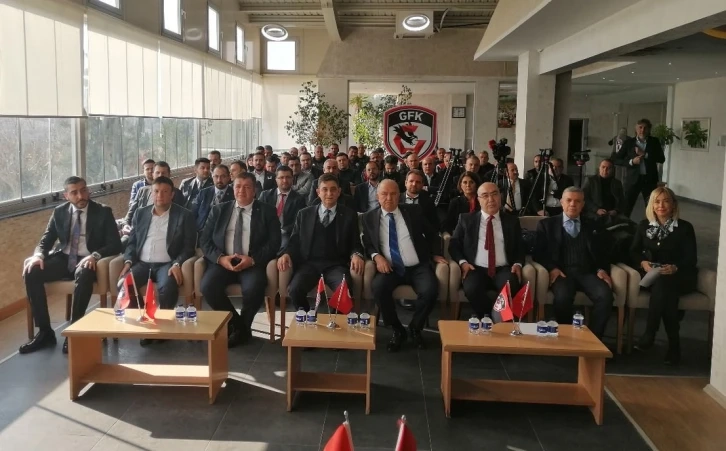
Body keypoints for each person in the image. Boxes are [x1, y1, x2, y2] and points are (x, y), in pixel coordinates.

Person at [21, 176, 121, 355]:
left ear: (88, 190)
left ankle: (74, 332)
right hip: (64, 257)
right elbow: (46, 240)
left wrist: (95, 256)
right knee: (32, 272)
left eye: (83, 190)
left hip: (88, 259)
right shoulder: (59, 212)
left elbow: (115, 244)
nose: (80, 196)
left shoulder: (103, 212)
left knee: (85, 272)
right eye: (74, 193)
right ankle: (45, 332)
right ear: (66, 196)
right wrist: (38, 255)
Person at [361, 180, 446, 352]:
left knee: (430, 290)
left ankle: (415, 327)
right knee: (378, 288)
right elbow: (368, 243)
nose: (389, 198)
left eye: (393, 194)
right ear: (377, 196)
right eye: (384, 194)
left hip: (417, 266)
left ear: (399, 196)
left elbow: (433, 234)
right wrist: (377, 257)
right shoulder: (368, 217)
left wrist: (436, 253)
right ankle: (397, 329)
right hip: (390, 267)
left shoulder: (413, 211)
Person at [199, 173, 281, 346]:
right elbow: (205, 241)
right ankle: (238, 326)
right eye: (237, 186)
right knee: (207, 286)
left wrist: (252, 260)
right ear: (232, 188)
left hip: (252, 263)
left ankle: (241, 328)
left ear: (255, 190)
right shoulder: (219, 210)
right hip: (223, 262)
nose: (241, 191)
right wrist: (221, 259)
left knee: (254, 288)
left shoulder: (266, 211)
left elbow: (274, 243)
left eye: (247, 187)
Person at [121, 177, 196, 345]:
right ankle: (146, 320)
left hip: (166, 264)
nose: (159, 195)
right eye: (156, 191)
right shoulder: (140, 213)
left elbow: (189, 247)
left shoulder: (184, 215)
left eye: (164, 192)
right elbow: (132, 242)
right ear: (151, 193)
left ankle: (163, 328)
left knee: (167, 288)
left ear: (172, 194)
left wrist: (177, 263)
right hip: (142, 264)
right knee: (125, 284)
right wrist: (128, 261)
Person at [533, 187, 613, 339]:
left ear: (583, 204)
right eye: (569, 200)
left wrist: (602, 269)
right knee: (562, 298)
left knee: (605, 295)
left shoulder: (593, 224)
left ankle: (593, 339)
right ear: (561, 202)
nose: (572, 204)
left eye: (577, 201)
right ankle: (567, 339)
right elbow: (538, 254)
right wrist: (552, 268)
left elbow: (603, 252)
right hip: (562, 273)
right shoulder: (547, 225)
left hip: (587, 273)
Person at [631, 187, 697, 365]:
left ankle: (650, 334)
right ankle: (674, 346)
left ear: (673, 205)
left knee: (664, 287)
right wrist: (643, 263)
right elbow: (633, 252)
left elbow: (691, 258)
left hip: (680, 276)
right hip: (653, 277)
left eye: (666, 201)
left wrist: (675, 267)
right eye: (657, 201)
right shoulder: (644, 225)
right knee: (665, 291)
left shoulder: (685, 228)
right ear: (651, 205)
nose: (661, 205)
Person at [278, 174, 363, 310]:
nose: (329, 193)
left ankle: (334, 320)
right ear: (318, 192)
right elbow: (294, 241)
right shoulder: (304, 214)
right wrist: (286, 253)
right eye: (325, 189)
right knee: (295, 289)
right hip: (309, 264)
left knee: (344, 290)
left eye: (333, 189)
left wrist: (356, 255)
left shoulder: (349, 215)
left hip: (336, 265)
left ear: (339, 192)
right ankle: (307, 316)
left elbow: (355, 243)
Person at [448, 182, 524, 319]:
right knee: (471, 289)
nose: (491, 199)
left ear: (500, 196)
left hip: (503, 268)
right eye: (485, 195)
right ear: (478, 199)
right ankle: (488, 318)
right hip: (475, 268)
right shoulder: (466, 219)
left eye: (494, 194)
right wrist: (463, 263)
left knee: (510, 285)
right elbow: (454, 245)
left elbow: (520, 247)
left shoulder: (512, 221)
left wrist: (518, 263)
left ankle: (500, 319)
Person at [615, 119, 666, 217]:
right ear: (636, 128)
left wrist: (645, 154)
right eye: (640, 127)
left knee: (651, 207)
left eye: (645, 128)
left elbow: (661, 159)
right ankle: (624, 224)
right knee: (626, 207)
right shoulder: (629, 142)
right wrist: (631, 162)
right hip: (632, 180)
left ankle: (651, 225)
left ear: (649, 129)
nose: (642, 130)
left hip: (650, 179)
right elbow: (616, 159)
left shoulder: (654, 141)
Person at [258, 165, 306, 252]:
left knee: (282, 249)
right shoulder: (265, 195)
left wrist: (282, 230)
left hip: (285, 233)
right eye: (281, 177)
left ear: (292, 179)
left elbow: (297, 221)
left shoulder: (299, 199)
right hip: (265, 231)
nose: (285, 180)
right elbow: (258, 216)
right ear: (276, 179)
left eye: (288, 177)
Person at [582, 159, 627, 226]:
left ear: (612, 170)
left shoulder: (617, 183)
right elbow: (584, 198)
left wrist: (616, 210)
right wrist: (596, 210)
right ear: (599, 168)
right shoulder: (591, 181)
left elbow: (621, 200)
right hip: (595, 212)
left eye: (608, 168)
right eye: (603, 167)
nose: (605, 170)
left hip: (612, 213)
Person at [193, 164, 234, 233]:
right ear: (212, 177)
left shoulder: (234, 194)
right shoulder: (204, 192)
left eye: (223, 176)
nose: (219, 180)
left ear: (228, 177)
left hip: (222, 232)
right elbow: (193, 212)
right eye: (216, 176)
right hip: (201, 231)